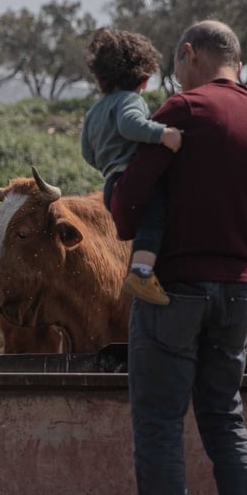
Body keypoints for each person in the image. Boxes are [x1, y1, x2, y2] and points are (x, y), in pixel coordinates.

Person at [108, 20, 247, 495]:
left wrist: (121, 209)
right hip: (239, 293)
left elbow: (134, 194)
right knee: (224, 417)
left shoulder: (184, 109)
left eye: (176, 64)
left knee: (158, 423)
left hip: (175, 291)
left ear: (189, 55)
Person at [79, 28, 182, 305]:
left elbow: (87, 153)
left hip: (111, 184)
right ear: (144, 79)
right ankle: (142, 273)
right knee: (154, 221)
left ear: (100, 77)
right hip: (133, 179)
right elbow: (130, 124)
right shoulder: (130, 100)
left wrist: (106, 161)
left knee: (142, 229)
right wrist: (163, 134)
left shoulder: (94, 111)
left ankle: (141, 269)